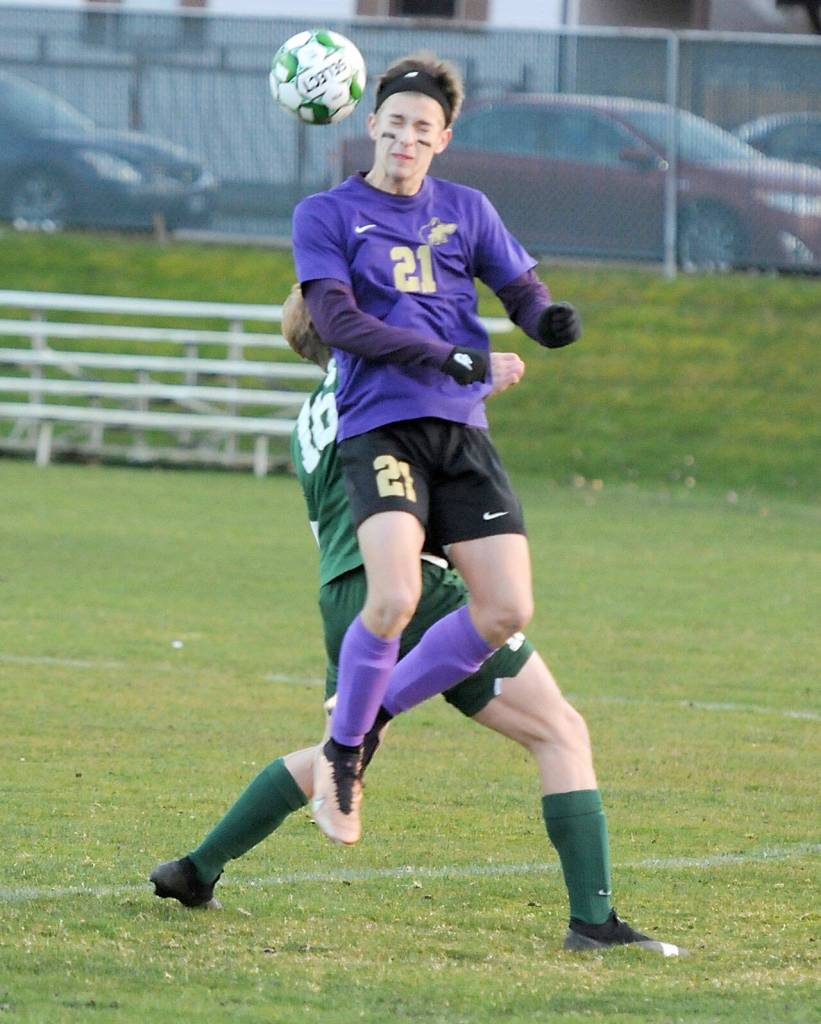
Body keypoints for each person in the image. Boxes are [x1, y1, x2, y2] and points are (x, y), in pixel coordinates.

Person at [149, 289, 686, 956]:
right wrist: (490, 372)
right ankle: (593, 924)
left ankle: (194, 870)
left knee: (340, 750)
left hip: (345, 600)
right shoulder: (385, 384)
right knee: (558, 731)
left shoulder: (308, 415)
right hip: (416, 590)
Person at [292, 51, 583, 845]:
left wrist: (543, 318)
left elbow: (518, 286)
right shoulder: (325, 214)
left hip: (462, 433)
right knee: (392, 599)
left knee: (505, 609)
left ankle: (365, 715)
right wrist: (447, 356)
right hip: (380, 424)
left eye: (422, 129)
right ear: (372, 128)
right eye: (394, 126)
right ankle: (345, 753)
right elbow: (339, 322)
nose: (406, 140)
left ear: (442, 138)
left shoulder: (467, 207)